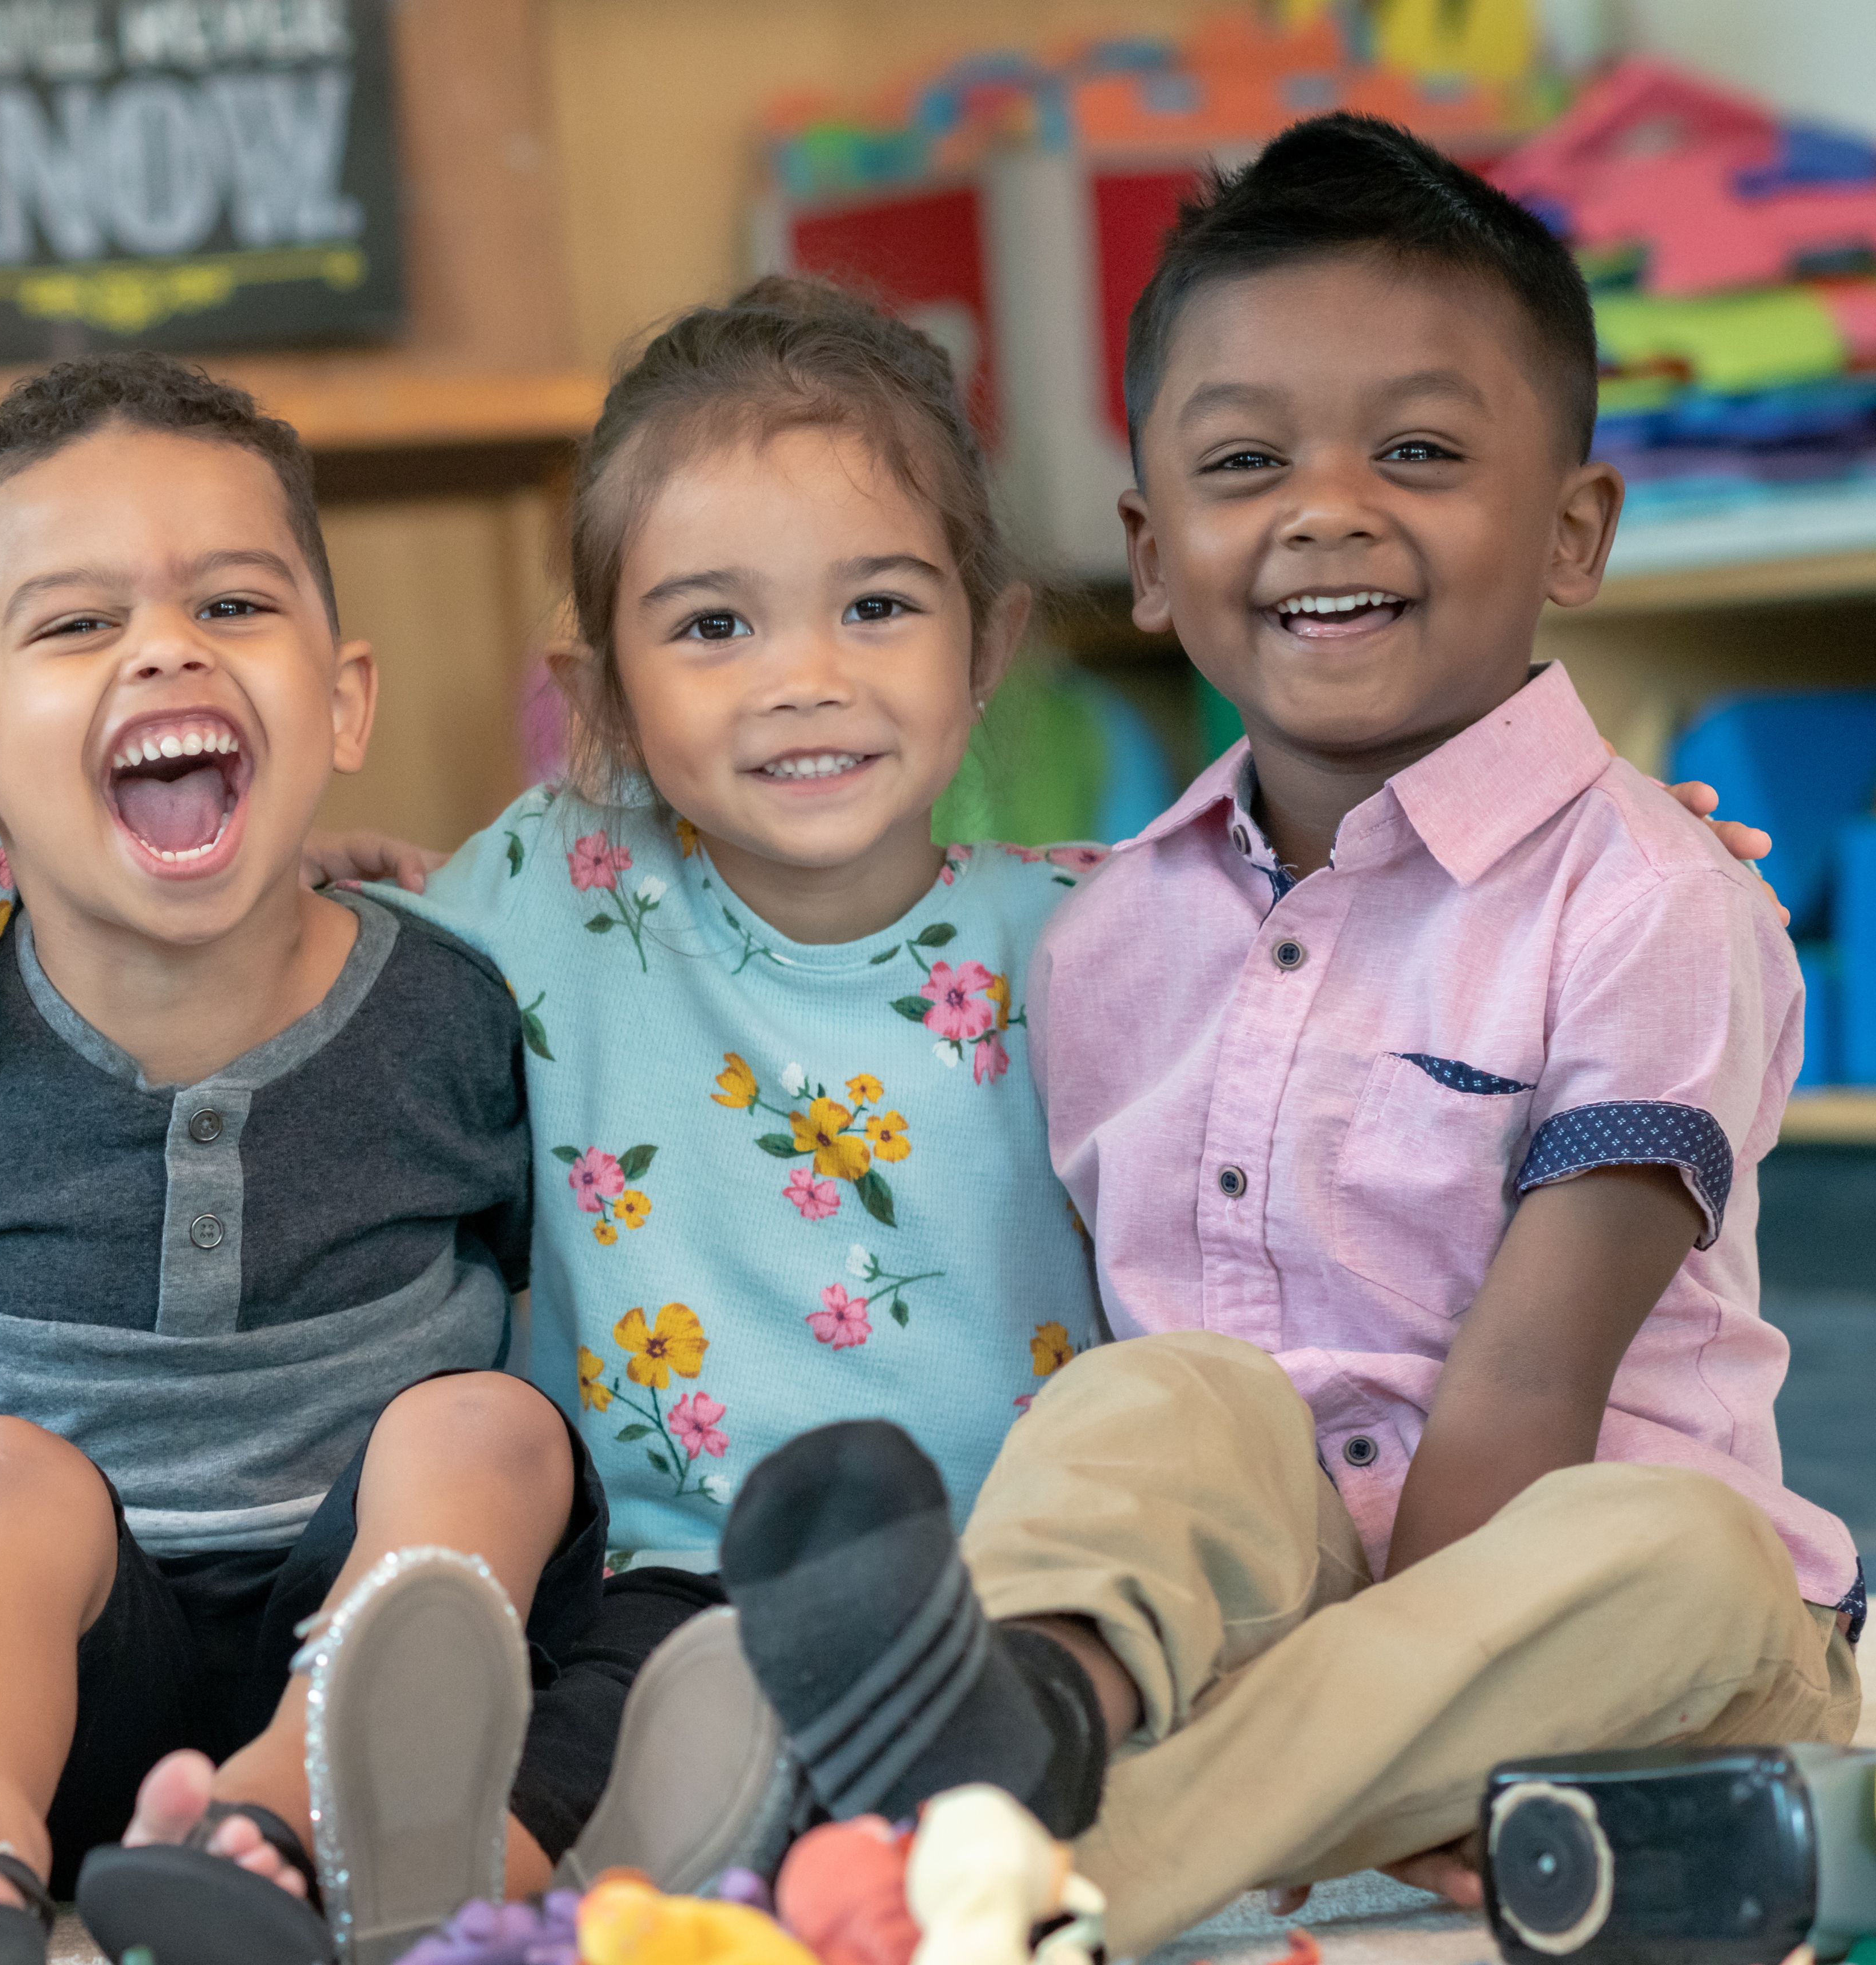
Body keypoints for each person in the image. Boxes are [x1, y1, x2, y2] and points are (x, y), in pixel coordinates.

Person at [708, 114, 1861, 1952]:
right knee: (1160, 1397)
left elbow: (1529, 1391)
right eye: (1247, 461)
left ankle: (1027, 1874)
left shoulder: (1647, 899)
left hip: (1615, 1648)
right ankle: (1028, 1712)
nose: (1328, 509)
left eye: (1419, 451)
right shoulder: (1103, 933)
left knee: (1677, 1551)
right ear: (1153, 554)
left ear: (1574, 529)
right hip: (1285, 1631)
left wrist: (1402, 1716)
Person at [0, 278, 1112, 1893]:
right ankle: (140, 1873)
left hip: (1015, 1594)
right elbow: (186, 916)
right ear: (601, 697)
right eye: (715, 625)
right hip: (648, 1586)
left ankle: (322, 1851)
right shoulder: (552, 894)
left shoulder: (1103, 937)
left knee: (522, 1517)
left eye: (879, 607)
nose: (805, 677)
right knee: (579, 1742)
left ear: (990, 644)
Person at [0, 352, 601, 1965]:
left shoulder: (450, 1006)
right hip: (48, 1695)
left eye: (230, 604)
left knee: (492, 1424)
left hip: (380, 1674)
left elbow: (536, 1258)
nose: (165, 645)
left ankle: (274, 1825)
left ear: (342, 701)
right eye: (77, 624)